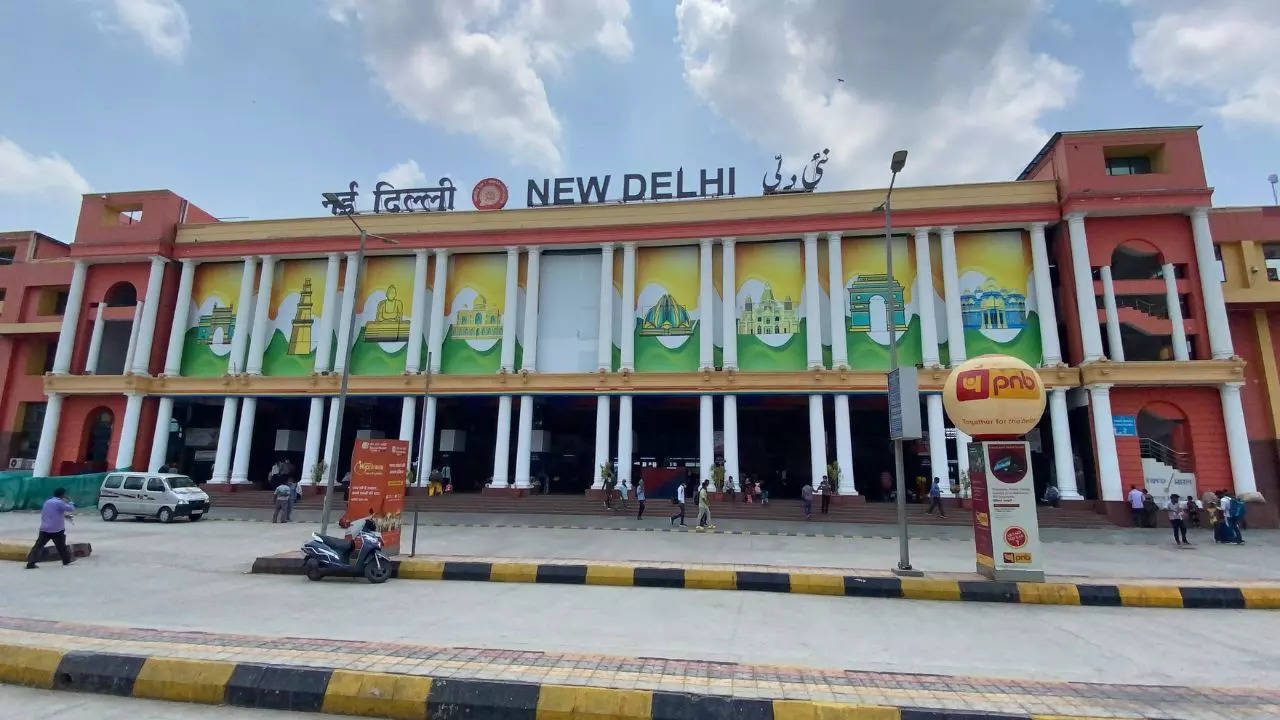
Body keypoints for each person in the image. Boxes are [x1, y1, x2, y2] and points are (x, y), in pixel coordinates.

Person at [26, 488, 75, 569]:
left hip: (44, 529)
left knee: (38, 546)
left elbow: (52, 513)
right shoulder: (60, 502)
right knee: (61, 546)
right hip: (56, 530)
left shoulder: (47, 502)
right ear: (63, 495)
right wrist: (70, 501)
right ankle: (66, 560)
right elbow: (71, 509)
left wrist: (64, 516)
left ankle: (30, 563)